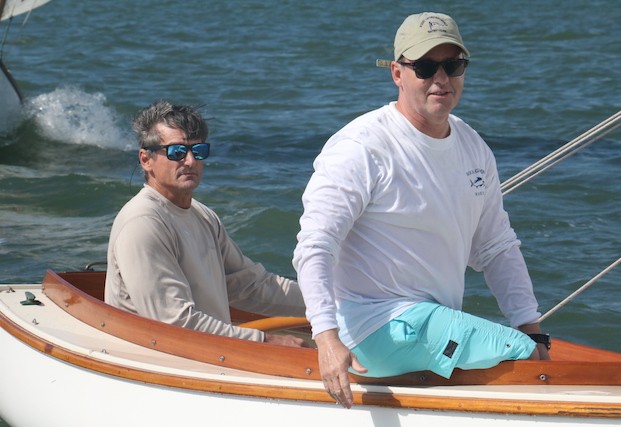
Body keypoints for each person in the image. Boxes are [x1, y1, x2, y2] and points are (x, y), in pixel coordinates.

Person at [292, 12, 551, 407]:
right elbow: (315, 246)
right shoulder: (360, 148)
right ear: (397, 74)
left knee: (528, 346)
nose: (441, 78)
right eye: (426, 67)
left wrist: (532, 328)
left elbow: (496, 246)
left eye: (453, 66)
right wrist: (326, 339)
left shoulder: (473, 147)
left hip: (426, 322)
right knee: (521, 355)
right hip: (371, 330)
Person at [105, 100, 306, 347]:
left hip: (210, 352)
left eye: (198, 151)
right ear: (146, 159)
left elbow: (251, 286)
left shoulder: (203, 216)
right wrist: (265, 340)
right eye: (177, 152)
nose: (190, 161)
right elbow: (174, 323)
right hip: (162, 360)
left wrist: (328, 301)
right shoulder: (143, 223)